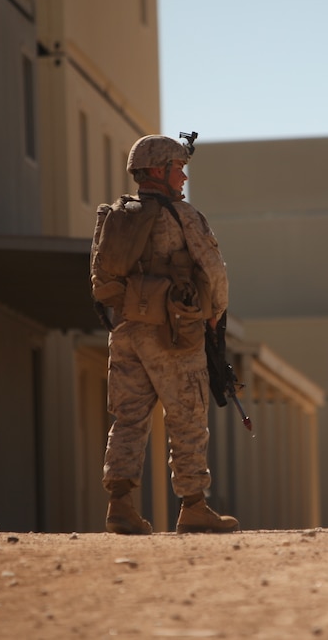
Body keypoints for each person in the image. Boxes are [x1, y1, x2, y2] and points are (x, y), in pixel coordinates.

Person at [95, 134, 239, 535]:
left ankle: (120, 506)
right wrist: (214, 316)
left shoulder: (116, 217)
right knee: (188, 416)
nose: (184, 176)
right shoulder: (182, 216)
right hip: (173, 333)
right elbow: (214, 271)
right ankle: (193, 506)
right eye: (179, 168)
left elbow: (100, 277)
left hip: (125, 331)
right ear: (159, 171)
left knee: (127, 419)